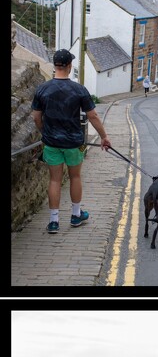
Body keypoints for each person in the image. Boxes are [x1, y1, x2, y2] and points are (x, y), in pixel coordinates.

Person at [31, 49, 111, 235]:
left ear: (54, 65)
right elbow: (93, 115)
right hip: (73, 143)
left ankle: (53, 221)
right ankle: (76, 215)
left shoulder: (42, 89)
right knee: (75, 177)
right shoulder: (79, 90)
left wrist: (45, 132)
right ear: (69, 66)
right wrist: (104, 137)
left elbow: (36, 117)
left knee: (54, 180)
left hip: (51, 143)